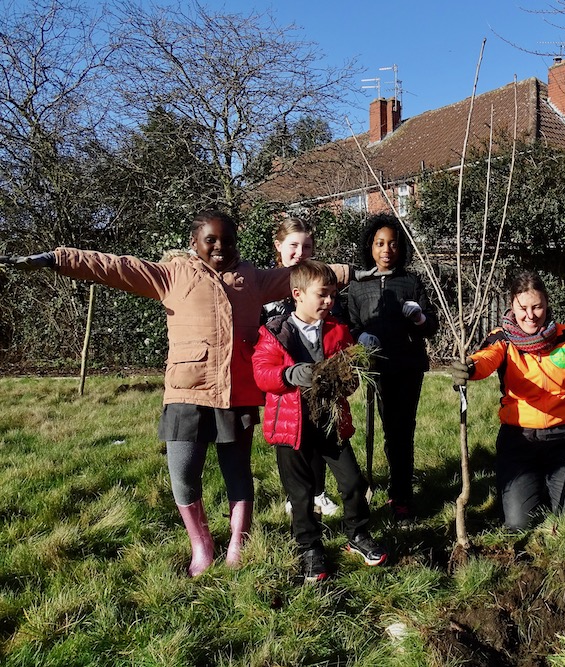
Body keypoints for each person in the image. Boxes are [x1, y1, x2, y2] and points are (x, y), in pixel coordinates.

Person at [0, 210, 351, 577]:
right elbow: (114, 266)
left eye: (227, 239)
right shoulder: (171, 274)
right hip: (187, 389)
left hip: (236, 392)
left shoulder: (253, 279)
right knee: (183, 473)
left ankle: (238, 541)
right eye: (210, 240)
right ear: (194, 242)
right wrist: (56, 259)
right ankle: (201, 544)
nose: (220, 246)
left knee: (237, 472)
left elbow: (309, 276)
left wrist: (353, 272)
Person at [253, 260, 387, 582]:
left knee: (352, 482)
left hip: (330, 422)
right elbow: (261, 372)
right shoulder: (275, 332)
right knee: (301, 492)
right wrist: (288, 374)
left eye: (333, 295)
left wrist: (352, 373)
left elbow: (350, 378)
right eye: (322, 294)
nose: (329, 301)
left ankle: (357, 533)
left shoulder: (337, 331)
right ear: (297, 294)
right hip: (291, 426)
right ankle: (309, 546)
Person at [450, 270, 565, 531]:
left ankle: (555, 482)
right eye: (523, 308)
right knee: (518, 523)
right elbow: (486, 358)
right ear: (512, 306)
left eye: (537, 307)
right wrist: (470, 367)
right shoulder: (502, 339)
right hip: (519, 440)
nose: (530, 315)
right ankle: (535, 484)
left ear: (547, 303)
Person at [347, 213, 438, 523]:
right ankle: (384, 485)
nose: (387, 250)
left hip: (408, 365)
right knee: (387, 429)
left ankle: (401, 496)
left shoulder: (410, 282)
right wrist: (360, 336)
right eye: (380, 243)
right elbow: (351, 323)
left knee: (403, 430)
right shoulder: (359, 285)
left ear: (401, 248)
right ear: (370, 246)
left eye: (393, 244)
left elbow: (431, 325)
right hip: (377, 367)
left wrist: (419, 318)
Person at [262, 217, 341, 519]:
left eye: (306, 246)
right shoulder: (266, 287)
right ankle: (295, 495)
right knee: (289, 439)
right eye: (293, 245)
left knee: (319, 434)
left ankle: (318, 491)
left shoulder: (318, 283)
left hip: (317, 380)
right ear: (278, 246)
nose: (300, 252)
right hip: (282, 380)